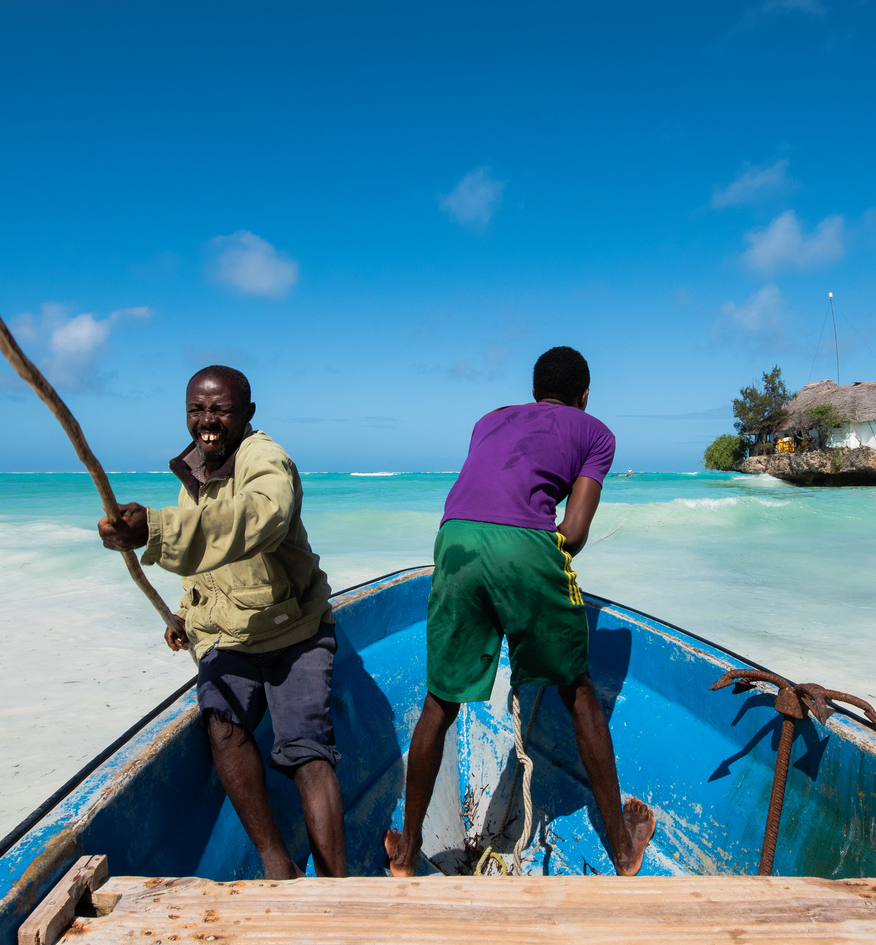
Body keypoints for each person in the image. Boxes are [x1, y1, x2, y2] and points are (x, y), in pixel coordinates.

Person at [384, 346, 655, 877]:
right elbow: (571, 535)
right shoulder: (595, 432)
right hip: (523, 549)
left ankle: (406, 853)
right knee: (578, 694)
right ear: (584, 397)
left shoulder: (489, 420)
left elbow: (490, 489)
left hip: (453, 542)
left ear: (534, 394)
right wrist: (532, 569)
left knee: (440, 703)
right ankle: (623, 849)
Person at [99, 365, 344, 879]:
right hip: (231, 634)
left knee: (306, 749)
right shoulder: (195, 472)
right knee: (222, 725)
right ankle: (277, 864)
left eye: (220, 409)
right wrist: (186, 611)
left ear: (247, 414)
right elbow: (211, 562)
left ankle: (335, 884)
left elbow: (263, 516)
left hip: (294, 628)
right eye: (196, 409)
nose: (206, 420)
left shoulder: (266, 459)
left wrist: (159, 528)